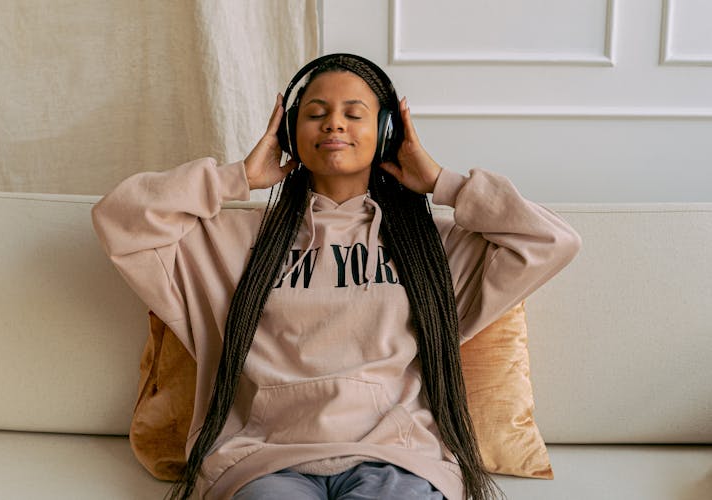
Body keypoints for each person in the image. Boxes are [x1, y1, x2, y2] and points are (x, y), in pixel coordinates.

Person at [92, 53, 581, 500]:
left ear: (387, 130)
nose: (334, 124)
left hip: (398, 460)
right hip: (262, 460)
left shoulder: (433, 246)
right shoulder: (232, 239)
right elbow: (119, 217)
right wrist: (237, 176)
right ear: (289, 132)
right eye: (315, 112)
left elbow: (552, 242)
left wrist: (441, 182)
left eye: (354, 112)